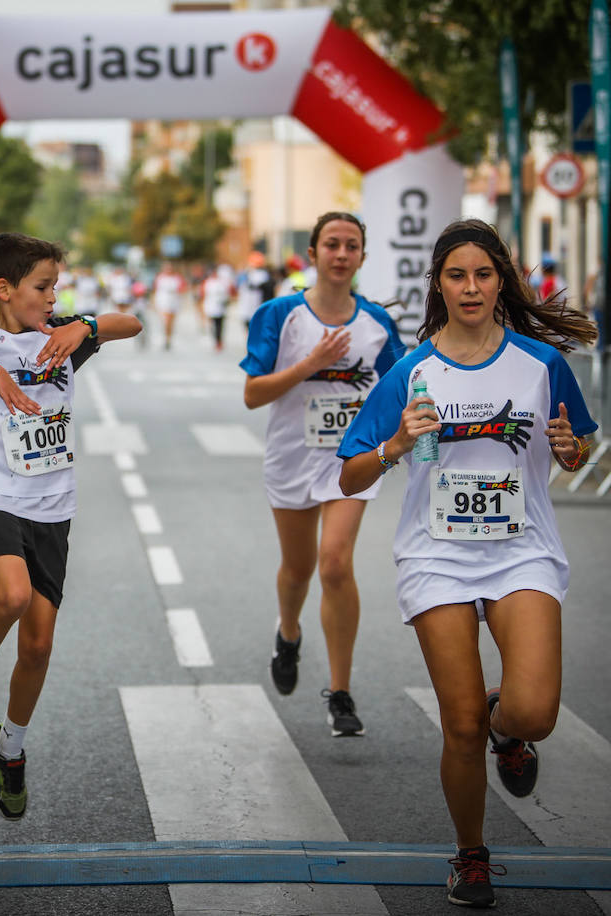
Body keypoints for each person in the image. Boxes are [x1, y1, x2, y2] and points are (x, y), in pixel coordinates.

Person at [336, 218, 597, 909]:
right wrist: (393, 444)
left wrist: (572, 451)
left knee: (534, 709)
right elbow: (349, 476)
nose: (472, 287)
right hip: (437, 556)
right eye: (458, 275)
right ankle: (472, 854)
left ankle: (507, 728)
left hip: (522, 553)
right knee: (457, 726)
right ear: (439, 284)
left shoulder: (542, 364)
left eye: (484, 274)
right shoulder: (411, 372)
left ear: (501, 280)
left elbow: (577, 448)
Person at [0, 232, 141, 820]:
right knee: (11, 594)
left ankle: (9, 747)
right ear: (4, 290)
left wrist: (85, 327)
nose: (51, 298)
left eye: (56, 289)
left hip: (52, 502)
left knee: (39, 644)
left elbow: (133, 323)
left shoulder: (62, 336)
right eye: (43, 288)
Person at [240, 212, 405, 737]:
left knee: (335, 563)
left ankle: (340, 692)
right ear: (312, 254)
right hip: (291, 455)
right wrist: (309, 365)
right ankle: (288, 633)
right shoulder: (279, 315)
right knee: (299, 567)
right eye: (331, 244)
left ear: (361, 257)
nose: (340, 253)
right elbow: (253, 394)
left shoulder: (377, 322)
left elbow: (400, 387)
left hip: (348, 461)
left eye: (351, 245)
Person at [152, 262, 184, 350]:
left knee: (171, 322)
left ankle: (169, 338)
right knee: (166, 321)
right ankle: (166, 338)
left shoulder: (177, 278)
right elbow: (155, 290)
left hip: (174, 301)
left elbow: (182, 288)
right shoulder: (160, 278)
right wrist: (154, 302)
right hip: (163, 301)